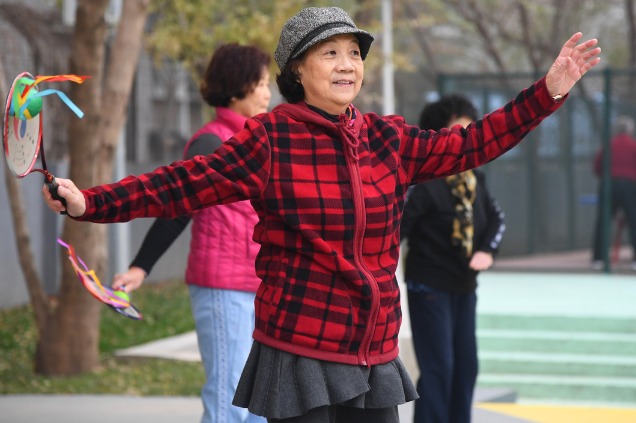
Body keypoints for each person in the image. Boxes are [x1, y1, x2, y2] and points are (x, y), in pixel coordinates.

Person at [42, 6, 600, 423]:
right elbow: (184, 185)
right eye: (330, 52)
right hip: (301, 347)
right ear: (298, 71)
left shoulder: (387, 137)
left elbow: (472, 144)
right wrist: (92, 202)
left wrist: (546, 94)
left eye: (354, 53)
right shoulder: (271, 138)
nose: (347, 64)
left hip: (375, 351)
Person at [111, 43, 271, 423]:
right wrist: (140, 267)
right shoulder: (211, 142)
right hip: (223, 288)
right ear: (238, 87)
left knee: (261, 407)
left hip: (259, 287)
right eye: (262, 83)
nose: (268, 93)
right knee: (228, 401)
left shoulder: (259, 142)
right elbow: (178, 207)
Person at [400, 94, 505, 423]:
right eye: (456, 130)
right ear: (437, 134)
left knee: (466, 366)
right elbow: (393, 228)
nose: (464, 138)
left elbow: (496, 219)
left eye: (468, 130)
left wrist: (487, 251)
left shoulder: (474, 179)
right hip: (429, 286)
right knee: (438, 368)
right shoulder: (423, 182)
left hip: (464, 286)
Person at [591, 115, 636, 270]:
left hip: (608, 183)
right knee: (634, 220)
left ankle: (597, 259)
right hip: (630, 185)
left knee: (603, 220)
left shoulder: (608, 145)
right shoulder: (633, 145)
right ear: (630, 131)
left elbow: (597, 165)